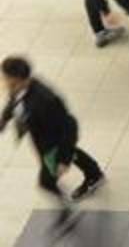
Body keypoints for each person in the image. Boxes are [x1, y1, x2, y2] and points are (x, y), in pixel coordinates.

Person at [1, 56, 105, 233]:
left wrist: (63, 160)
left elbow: (69, 128)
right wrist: (3, 121)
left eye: (6, 77)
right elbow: (14, 104)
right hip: (44, 138)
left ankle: (66, 210)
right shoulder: (18, 89)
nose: (3, 81)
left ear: (18, 79)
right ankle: (94, 174)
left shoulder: (46, 100)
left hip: (53, 143)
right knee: (73, 152)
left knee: (46, 182)